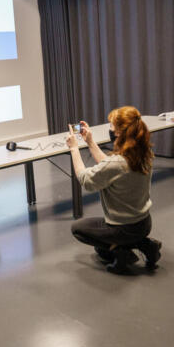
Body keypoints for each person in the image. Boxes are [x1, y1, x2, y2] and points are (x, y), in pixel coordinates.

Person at [66, 106, 162, 274]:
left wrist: (74, 149)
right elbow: (111, 167)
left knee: (78, 229)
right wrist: (90, 142)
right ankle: (145, 245)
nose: (109, 129)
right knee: (104, 245)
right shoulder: (143, 153)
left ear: (118, 133)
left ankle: (122, 252)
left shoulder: (117, 163)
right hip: (144, 223)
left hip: (123, 228)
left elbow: (86, 180)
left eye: (111, 126)